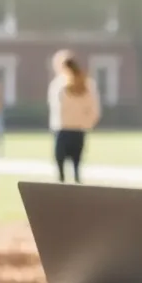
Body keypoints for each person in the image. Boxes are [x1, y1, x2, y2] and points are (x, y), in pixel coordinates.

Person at [47, 50, 101, 183]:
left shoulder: (58, 84)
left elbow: (55, 108)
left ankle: (62, 187)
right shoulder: (87, 84)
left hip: (62, 129)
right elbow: (94, 110)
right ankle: (77, 186)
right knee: (76, 166)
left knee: (61, 169)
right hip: (79, 130)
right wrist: (86, 124)